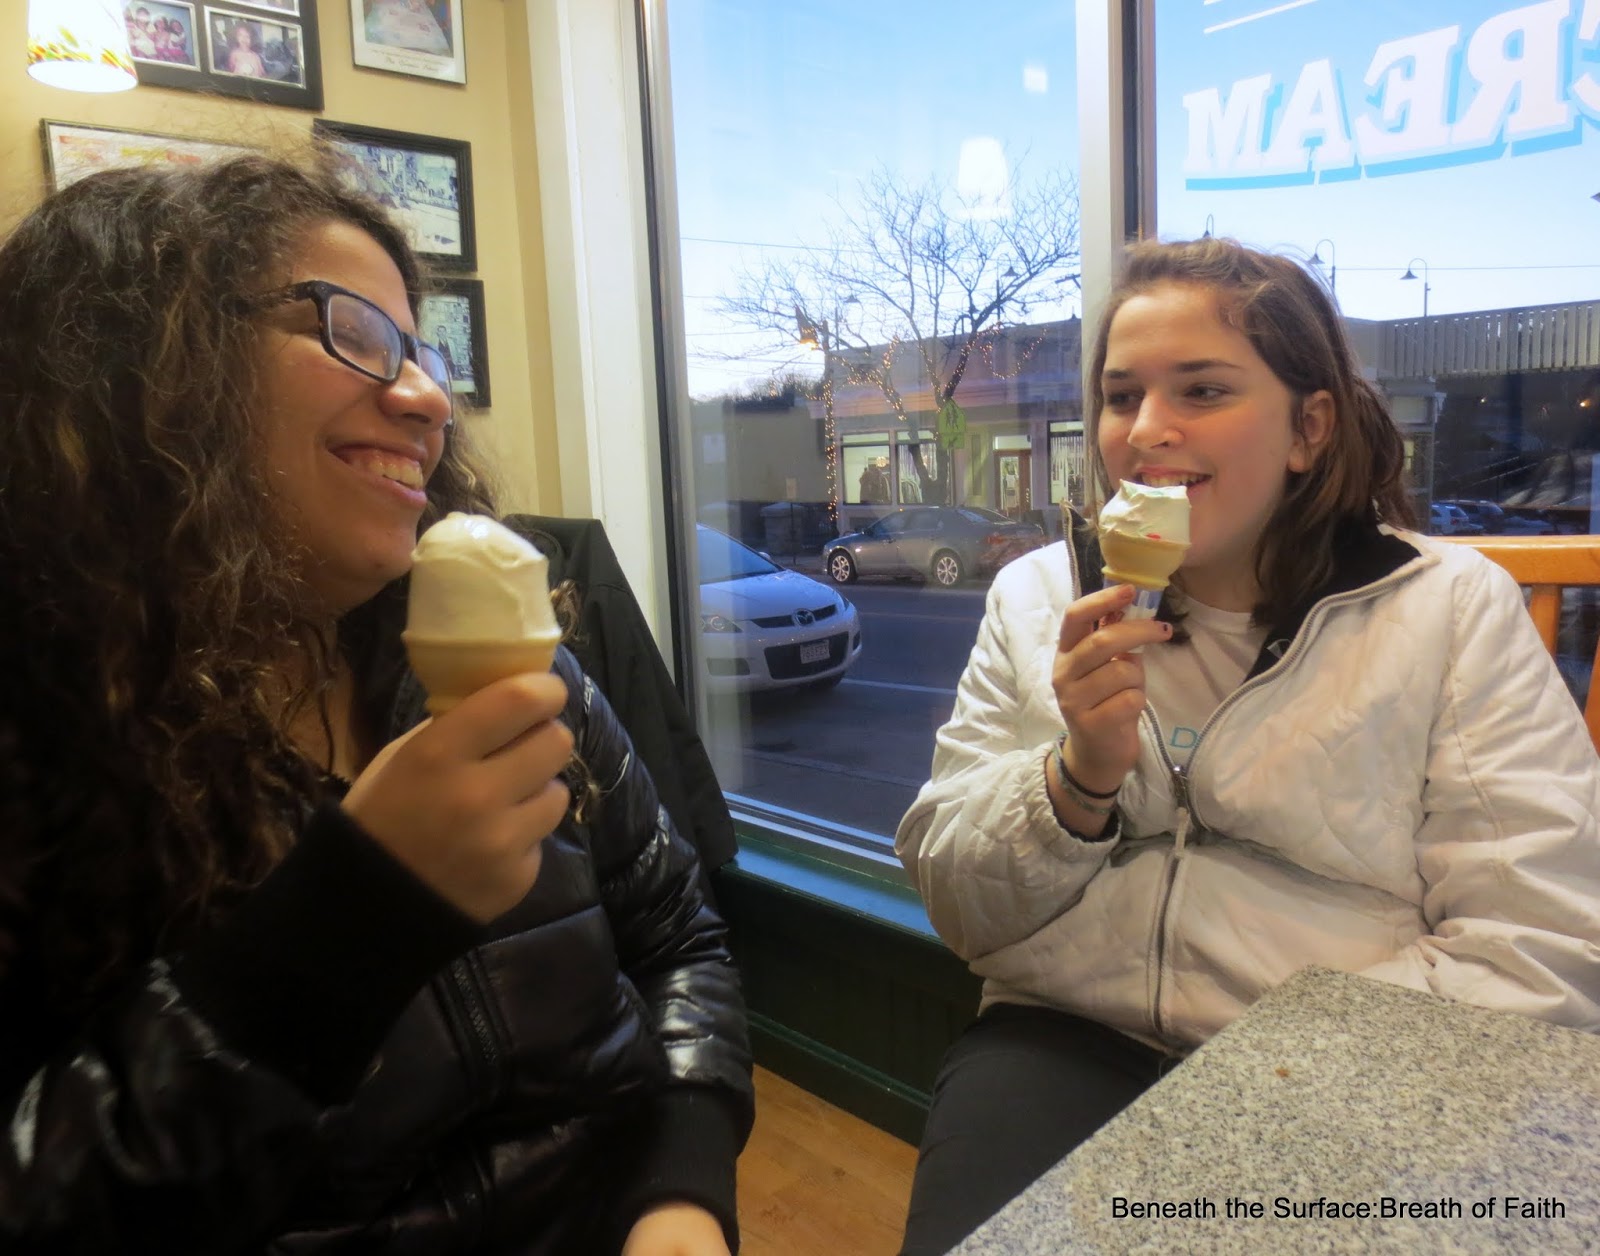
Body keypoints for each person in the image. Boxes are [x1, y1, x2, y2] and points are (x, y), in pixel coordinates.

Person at [0, 154, 752, 1254]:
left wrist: (679, 1193)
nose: (430, 400)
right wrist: (341, 925)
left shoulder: (510, 677)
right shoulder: (44, 740)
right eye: (353, 331)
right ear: (147, 372)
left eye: (420, 351)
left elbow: (679, 939)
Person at [895, 237, 1600, 1254]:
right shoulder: (1038, 596)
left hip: (1345, 1063)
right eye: (1121, 395)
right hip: (1065, 1029)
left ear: (1309, 427)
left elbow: (1539, 948)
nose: (1146, 429)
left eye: (1203, 390)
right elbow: (962, 911)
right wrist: (1074, 780)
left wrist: (1252, 1087)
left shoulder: (1448, 609)